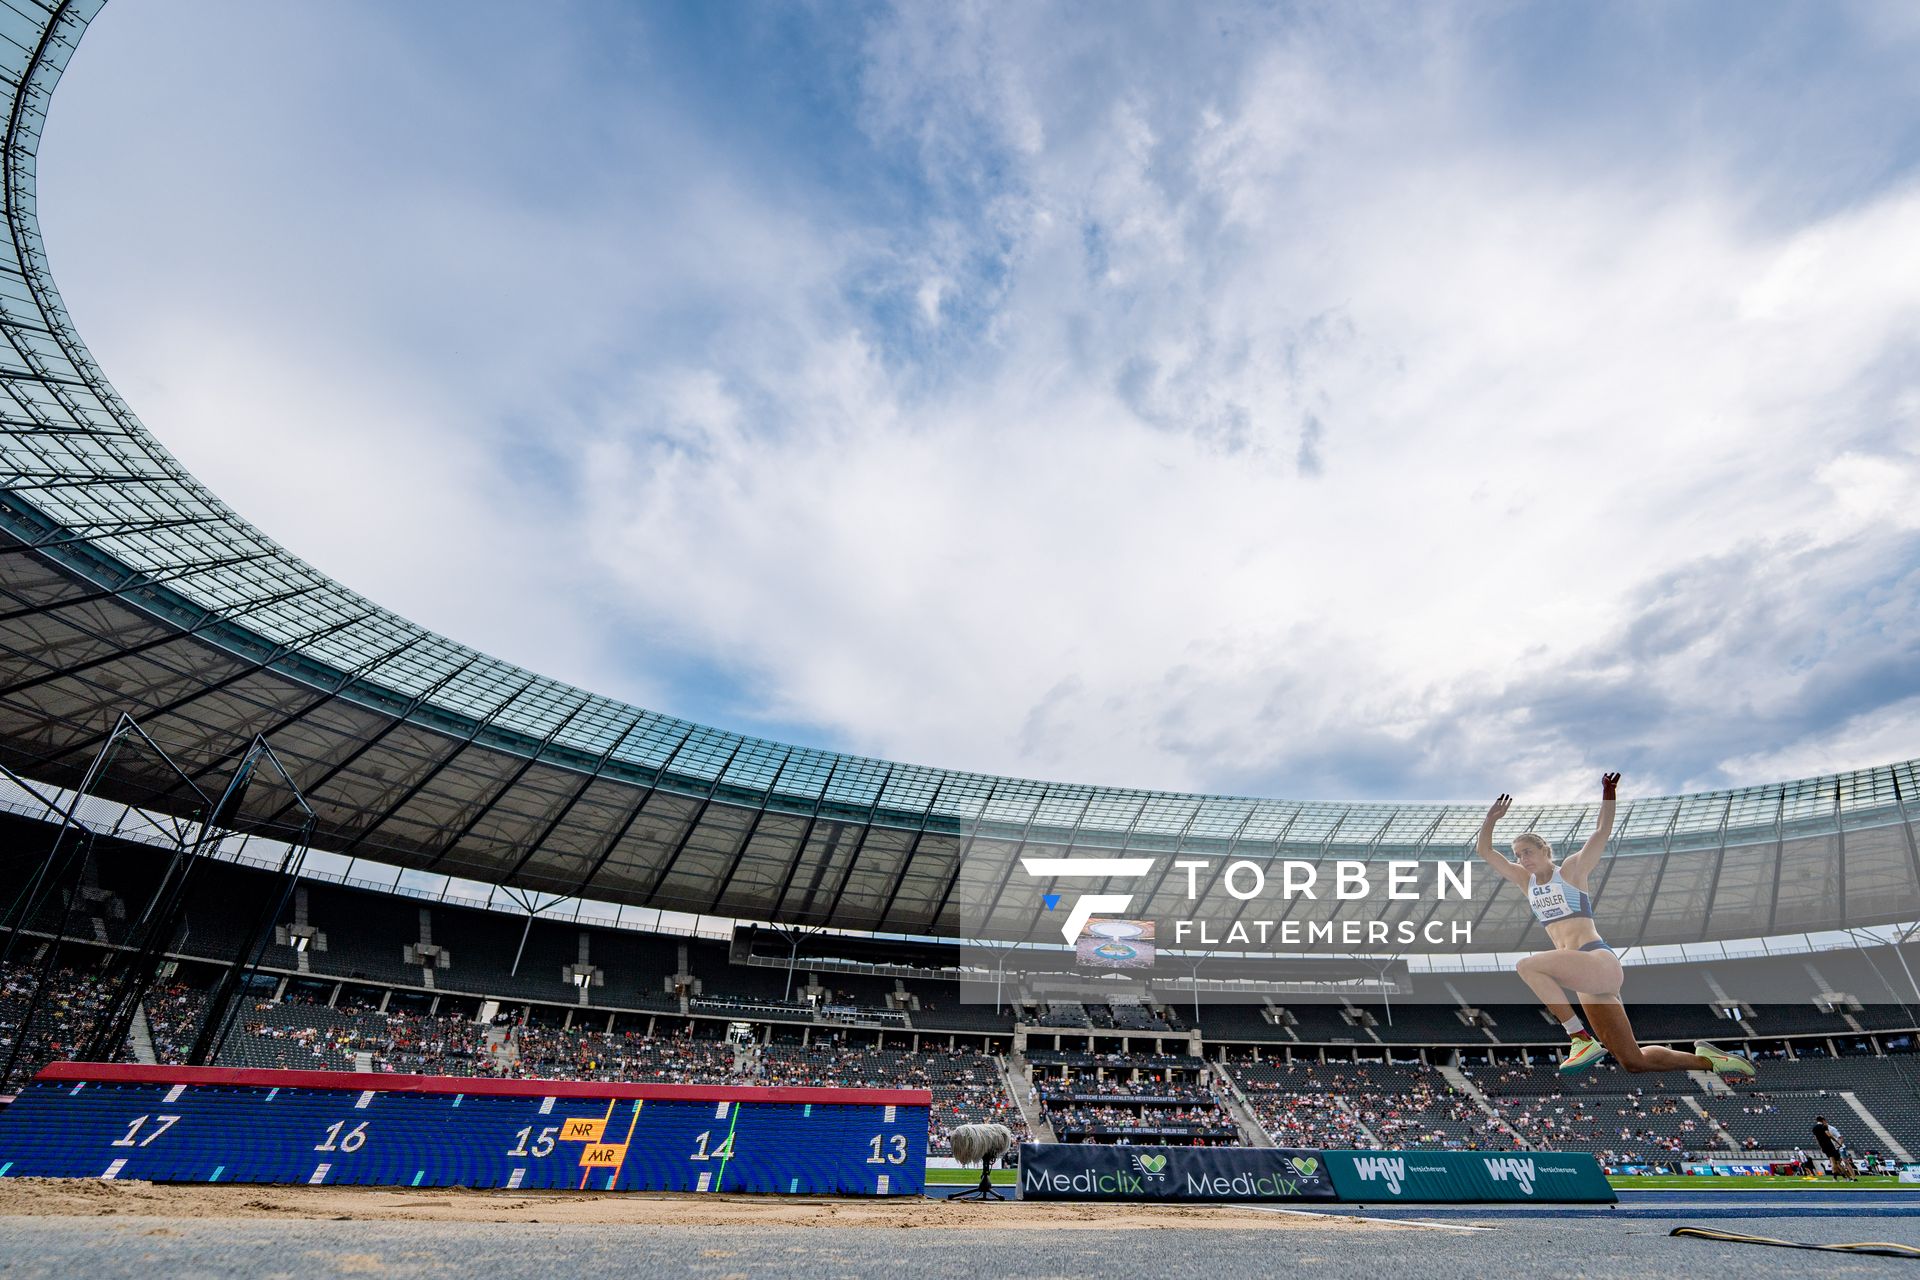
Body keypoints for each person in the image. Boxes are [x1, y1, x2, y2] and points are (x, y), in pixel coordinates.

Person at [1477, 773, 1754, 1080]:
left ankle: (1579, 1038)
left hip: (1595, 958)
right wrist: (1491, 819)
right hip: (1584, 978)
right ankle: (1710, 1061)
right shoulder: (1525, 882)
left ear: (1545, 851)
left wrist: (1609, 793)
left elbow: (1601, 831)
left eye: (1527, 852)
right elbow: (1486, 853)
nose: (1522, 859)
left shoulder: (1569, 870)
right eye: (1518, 855)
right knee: (1633, 1061)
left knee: (1527, 966)